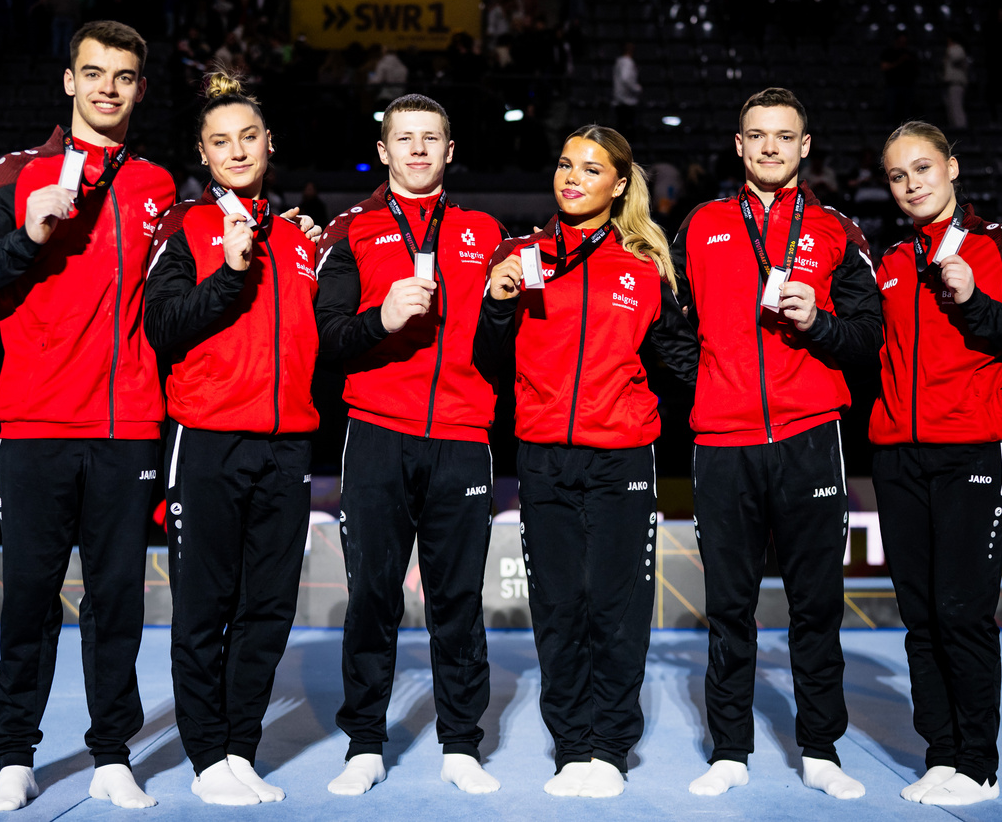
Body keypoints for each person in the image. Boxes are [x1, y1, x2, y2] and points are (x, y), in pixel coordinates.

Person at [0, 20, 178, 813]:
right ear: (69, 82)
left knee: (117, 599)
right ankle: (16, 756)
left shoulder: (158, 186)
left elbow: (185, 293)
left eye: (124, 76)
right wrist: (27, 232)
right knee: (32, 598)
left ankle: (113, 753)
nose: (108, 87)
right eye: (94, 72)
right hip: (37, 422)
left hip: (129, 425)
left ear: (140, 89)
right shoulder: (18, 172)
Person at [474, 125, 699, 798]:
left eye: (591, 168)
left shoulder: (646, 265)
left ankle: (609, 747)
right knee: (558, 606)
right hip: (542, 455)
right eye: (566, 164)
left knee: (617, 606)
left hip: (623, 457)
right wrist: (495, 303)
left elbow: (683, 362)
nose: (572, 177)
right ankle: (572, 745)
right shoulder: (521, 255)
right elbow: (486, 357)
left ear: (619, 183)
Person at [670, 88, 881, 800]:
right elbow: (668, 326)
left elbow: (866, 337)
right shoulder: (701, 225)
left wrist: (819, 323)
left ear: (805, 145)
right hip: (723, 442)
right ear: (738, 145)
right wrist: (712, 382)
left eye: (782, 136)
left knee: (815, 602)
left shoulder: (836, 230)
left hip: (810, 436)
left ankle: (820, 748)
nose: (768, 147)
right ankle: (728, 748)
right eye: (756, 136)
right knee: (728, 604)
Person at [313, 93, 508, 797]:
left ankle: (461, 743)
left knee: (458, 597)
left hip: (462, 436)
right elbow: (329, 337)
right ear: (385, 149)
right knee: (372, 594)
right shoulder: (353, 230)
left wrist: (505, 306)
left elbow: (507, 338)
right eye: (406, 139)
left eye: (432, 138)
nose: (419, 150)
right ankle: (365, 741)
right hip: (376, 433)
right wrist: (380, 318)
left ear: (450, 150)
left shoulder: (487, 232)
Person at [143, 69, 322, 806]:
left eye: (249, 136)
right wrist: (231, 272)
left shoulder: (301, 237)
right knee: (205, 607)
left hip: (288, 446)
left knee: (268, 607)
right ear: (203, 154)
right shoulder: (182, 227)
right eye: (222, 142)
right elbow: (163, 325)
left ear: (269, 143)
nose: (238, 150)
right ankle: (207, 755)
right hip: (208, 439)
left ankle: (239, 749)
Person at [869, 121, 1002, 806]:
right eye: (897, 175)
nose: (912, 183)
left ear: (952, 167)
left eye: (923, 167)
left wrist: (974, 301)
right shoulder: (891, 260)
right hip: (897, 455)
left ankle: (978, 765)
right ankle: (943, 755)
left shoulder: (1001, 247)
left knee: (961, 610)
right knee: (920, 615)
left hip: (977, 449)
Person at [942, 34, 970, 130]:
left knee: (956, 109)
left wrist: (950, 49)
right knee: (952, 110)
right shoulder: (952, 50)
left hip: (956, 84)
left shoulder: (958, 49)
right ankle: (956, 131)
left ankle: (962, 131)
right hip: (950, 84)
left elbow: (955, 57)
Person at [612, 42, 641, 134]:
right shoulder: (627, 62)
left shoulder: (619, 61)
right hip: (627, 102)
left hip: (620, 101)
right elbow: (626, 78)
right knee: (626, 132)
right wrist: (637, 88)